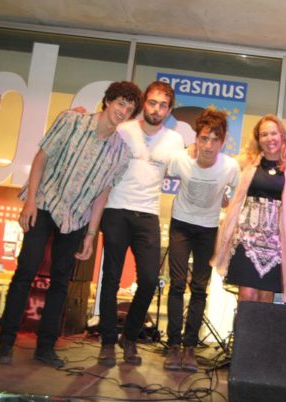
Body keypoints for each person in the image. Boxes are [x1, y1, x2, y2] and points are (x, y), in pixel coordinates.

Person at [0, 81, 141, 367]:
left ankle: (46, 347)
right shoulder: (71, 121)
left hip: (76, 219)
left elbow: (102, 195)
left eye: (129, 108)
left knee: (61, 283)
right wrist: (30, 201)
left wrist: (91, 234)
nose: (123, 111)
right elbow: (41, 159)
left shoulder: (121, 152)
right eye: (120, 103)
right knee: (25, 272)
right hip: (44, 204)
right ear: (108, 101)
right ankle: (6, 343)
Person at [97, 81, 185, 367]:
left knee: (149, 280)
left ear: (169, 111)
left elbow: (187, 172)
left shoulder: (174, 140)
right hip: (116, 210)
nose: (156, 109)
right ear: (144, 103)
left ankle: (130, 337)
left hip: (148, 214)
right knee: (111, 279)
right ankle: (107, 342)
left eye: (163, 105)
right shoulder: (124, 130)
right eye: (152, 103)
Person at [163, 109, 240, 372]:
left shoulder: (230, 167)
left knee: (199, 288)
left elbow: (237, 195)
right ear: (196, 138)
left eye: (215, 140)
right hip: (181, 224)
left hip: (208, 229)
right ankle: (173, 345)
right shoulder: (180, 160)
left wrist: (227, 200)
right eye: (204, 138)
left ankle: (189, 347)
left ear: (223, 142)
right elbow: (158, 172)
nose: (208, 145)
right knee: (176, 284)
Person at [210, 114, 286, 304]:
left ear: (282, 135)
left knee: (265, 298)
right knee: (247, 295)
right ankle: (242, 325)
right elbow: (220, 167)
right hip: (247, 238)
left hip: (275, 242)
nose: (269, 138)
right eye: (264, 134)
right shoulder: (247, 162)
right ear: (258, 139)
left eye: (273, 133)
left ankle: (259, 326)